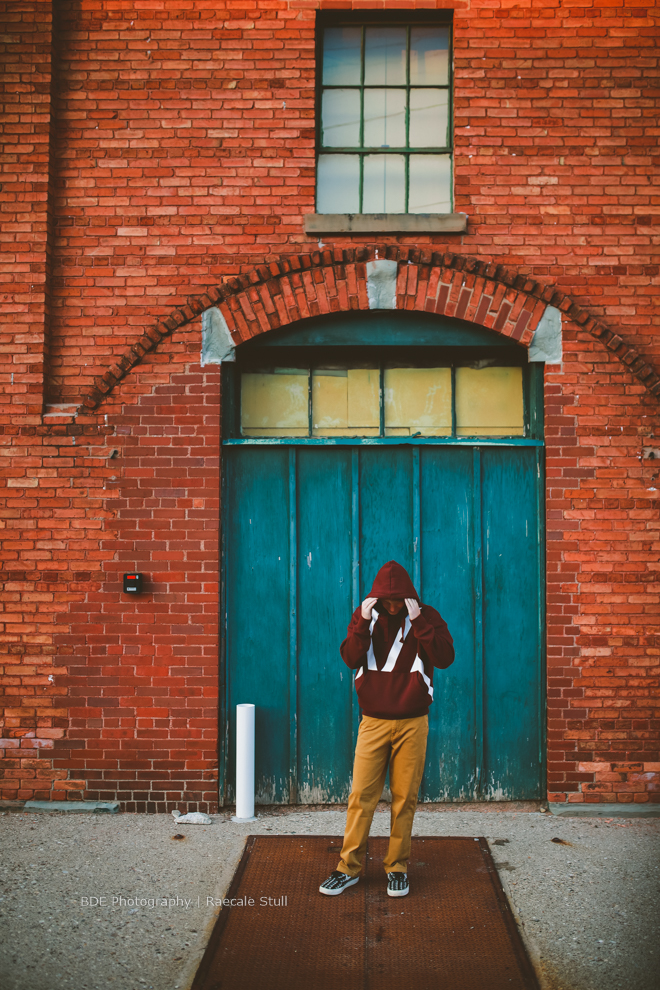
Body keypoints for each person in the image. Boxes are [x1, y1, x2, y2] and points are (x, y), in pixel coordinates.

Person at [319, 560, 454, 898]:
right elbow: (350, 658)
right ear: (378, 598)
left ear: (409, 597)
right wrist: (362, 622)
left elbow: (445, 657)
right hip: (373, 722)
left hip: (413, 721)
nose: (393, 607)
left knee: (404, 799)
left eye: (399, 601)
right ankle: (347, 868)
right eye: (388, 601)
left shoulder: (427, 615)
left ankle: (397, 868)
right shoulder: (365, 615)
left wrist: (418, 620)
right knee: (361, 796)